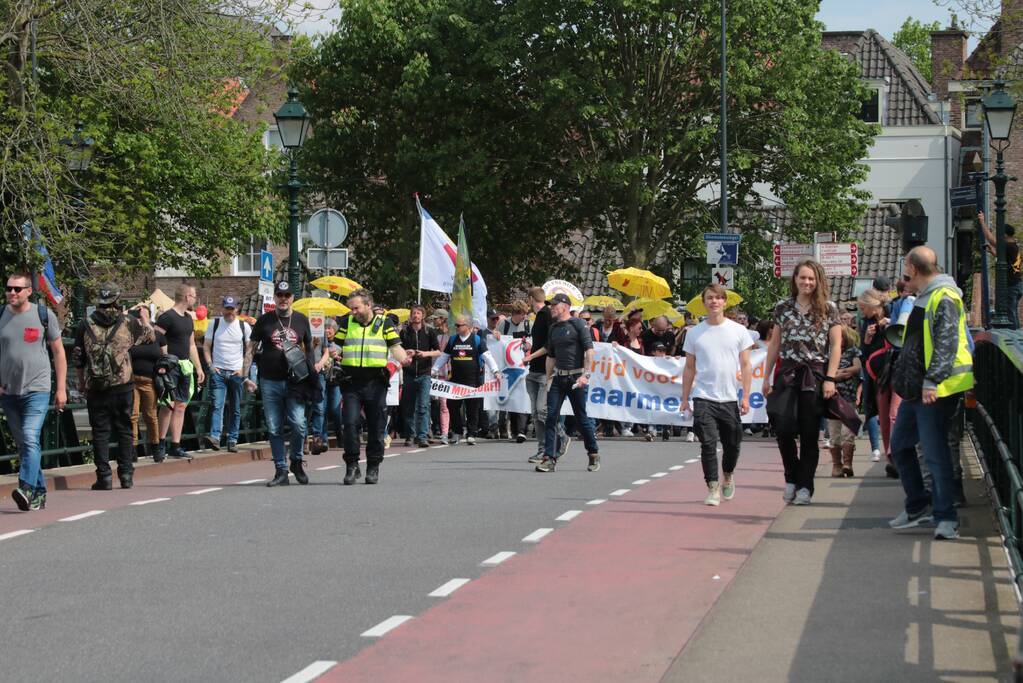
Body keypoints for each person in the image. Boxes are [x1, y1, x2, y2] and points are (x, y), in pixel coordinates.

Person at [887, 246, 974, 540]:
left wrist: (932, 381)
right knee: (900, 446)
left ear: (912, 267)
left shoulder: (944, 296)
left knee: (935, 454)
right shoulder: (925, 296)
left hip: (934, 389)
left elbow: (947, 342)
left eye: (905, 267)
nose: (904, 273)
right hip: (917, 388)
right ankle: (919, 506)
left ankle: (945, 516)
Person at [763, 260, 843, 506]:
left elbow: (836, 345)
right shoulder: (782, 307)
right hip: (787, 373)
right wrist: (766, 377)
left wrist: (830, 378)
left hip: (815, 374)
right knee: (784, 427)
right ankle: (791, 478)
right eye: (802, 278)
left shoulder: (828, 309)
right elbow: (775, 344)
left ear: (818, 281)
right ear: (795, 279)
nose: (807, 282)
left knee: (809, 433)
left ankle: (806, 486)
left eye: (811, 279)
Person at [73, 283, 156, 490]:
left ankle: (104, 477)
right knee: (124, 430)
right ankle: (126, 475)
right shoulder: (127, 322)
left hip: (96, 386)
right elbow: (151, 337)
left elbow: (78, 357)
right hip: (123, 386)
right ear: (117, 301)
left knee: (100, 432)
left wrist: (82, 382)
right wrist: (145, 320)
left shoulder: (85, 324)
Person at [246, 281, 328, 487]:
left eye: (287, 295)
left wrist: (311, 375)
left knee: (299, 425)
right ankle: (280, 470)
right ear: (275, 297)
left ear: (293, 298)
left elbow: (309, 348)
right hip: (269, 380)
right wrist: (246, 376)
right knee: (274, 427)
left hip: (295, 382)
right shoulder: (264, 320)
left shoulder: (301, 320)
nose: (283, 298)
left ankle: (297, 461)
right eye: (279, 295)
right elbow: (251, 349)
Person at [680, 284, 754, 506]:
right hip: (703, 397)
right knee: (708, 444)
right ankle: (712, 487)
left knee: (733, 444)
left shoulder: (739, 331)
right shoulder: (694, 333)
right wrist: (685, 398)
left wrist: (746, 396)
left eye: (718, 298)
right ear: (704, 303)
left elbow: (746, 365)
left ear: (724, 302)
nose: (714, 302)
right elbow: (689, 368)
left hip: (729, 398)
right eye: (709, 298)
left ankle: (728, 475)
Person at [1, 271, 67, 510]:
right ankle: (38, 493)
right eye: (9, 288)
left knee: (29, 437)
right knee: (25, 444)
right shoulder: (1, 315)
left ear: (29, 291)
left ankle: (26, 487)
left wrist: (61, 389)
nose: (12, 293)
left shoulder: (43, 315)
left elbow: (59, 352)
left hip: (37, 389)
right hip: (8, 392)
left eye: (17, 289)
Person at [334, 288, 407, 484]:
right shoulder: (347, 322)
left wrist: (404, 359)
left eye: (356, 308)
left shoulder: (384, 323)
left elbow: (395, 347)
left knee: (376, 426)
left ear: (368, 305)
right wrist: (327, 357)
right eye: (351, 309)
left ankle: (373, 466)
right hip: (351, 382)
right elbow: (336, 346)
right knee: (349, 423)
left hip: (376, 383)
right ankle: (352, 465)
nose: (353, 312)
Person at [534, 293, 600, 473]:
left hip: (576, 378)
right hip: (558, 377)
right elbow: (551, 356)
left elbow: (589, 351)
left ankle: (593, 453)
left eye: (554, 305)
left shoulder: (578, 324)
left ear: (565, 306)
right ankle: (549, 458)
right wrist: (548, 379)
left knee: (581, 418)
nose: (551, 308)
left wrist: (586, 375)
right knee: (551, 417)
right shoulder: (554, 327)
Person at [432, 313, 500, 445]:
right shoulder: (452, 340)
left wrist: (495, 371)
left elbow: (487, 356)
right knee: (452, 406)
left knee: (472, 407)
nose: (456, 327)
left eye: (459, 325)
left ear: (468, 326)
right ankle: (457, 432)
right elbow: (444, 357)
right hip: (455, 381)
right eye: (455, 325)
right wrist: (434, 369)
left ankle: (471, 433)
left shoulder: (477, 340)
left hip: (473, 381)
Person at [155, 283, 205, 460]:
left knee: (181, 405)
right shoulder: (167, 318)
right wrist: (165, 360)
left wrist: (198, 367)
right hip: (171, 366)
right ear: (186, 297)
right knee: (167, 405)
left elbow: (191, 344)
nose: (195, 299)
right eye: (193, 295)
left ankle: (175, 445)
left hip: (185, 366)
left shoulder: (188, 319)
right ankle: (160, 443)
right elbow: (157, 339)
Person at [522, 287, 567, 463]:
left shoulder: (546, 314)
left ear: (531, 298)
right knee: (536, 413)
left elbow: (550, 344)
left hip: (543, 371)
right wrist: (530, 348)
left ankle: (561, 435)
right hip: (534, 369)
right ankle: (542, 449)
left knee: (542, 410)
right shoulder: (540, 316)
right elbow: (542, 342)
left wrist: (531, 355)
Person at [201, 296, 251, 452]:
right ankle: (215, 437)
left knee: (235, 407)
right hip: (218, 371)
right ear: (222, 309)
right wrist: (210, 365)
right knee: (217, 405)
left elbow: (250, 350)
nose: (229, 312)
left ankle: (232, 439)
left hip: (236, 372)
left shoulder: (244, 326)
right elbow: (206, 346)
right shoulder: (214, 324)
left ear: (236, 309)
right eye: (227, 308)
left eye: (232, 309)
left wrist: (244, 370)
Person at [399, 304, 439, 448]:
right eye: (413, 313)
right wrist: (406, 353)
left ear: (423, 316)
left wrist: (425, 353)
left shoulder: (430, 331)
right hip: (409, 373)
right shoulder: (404, 332)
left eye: (418, 313)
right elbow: (397, 350)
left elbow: (438, 351)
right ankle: (410, 435)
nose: (415, 315)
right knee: (408, 406)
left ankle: (422, 436)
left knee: (423, 406)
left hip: (424, 373)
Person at [129, 316, 167, 460]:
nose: (141, 320)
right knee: (133, 415)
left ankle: (155, 446)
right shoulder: (132, 336)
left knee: (150, 415)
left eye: (144, 316)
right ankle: (133, 448)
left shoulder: (158, 336)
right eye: (138, 317)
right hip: (133, 380)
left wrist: (163, 367)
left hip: (149, 380)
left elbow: (165, 356)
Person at [828, 325, 862, 478]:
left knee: (848, 432)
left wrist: (839, 373)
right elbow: (827, 374)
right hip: (832, 397)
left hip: (848, 396)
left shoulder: (853, 351)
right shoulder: (827, 353)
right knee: (834, 433)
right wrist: (842, 374)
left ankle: (848, 463)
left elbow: (856, 368)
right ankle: (837, 465)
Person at [978, 211, 1021, 329]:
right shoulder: (1013, 246)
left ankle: (1015, 337)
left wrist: (982, 222)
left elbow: (991, 239)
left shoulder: (1008, 245)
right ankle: (1015, 333)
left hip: (1011, 285)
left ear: (1005, 235)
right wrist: (993, 252)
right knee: (1012, 312)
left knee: (1010, 313)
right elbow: (1005, 259)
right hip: (1017, 284)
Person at [499, 300, 532, 442]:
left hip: (524, 366)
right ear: (515, 314)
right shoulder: (504, 324)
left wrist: (528, 345)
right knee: (511, 397)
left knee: (523, 397)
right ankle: (514, 428)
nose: (524, 317)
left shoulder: (528, 324)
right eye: (521, 314)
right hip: (508, 367)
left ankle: (521, 430)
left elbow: (533, 342)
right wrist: (495, 336)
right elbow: (498, 342)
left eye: (525, 314)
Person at [429, 309, 452, 443]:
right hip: (434, 373)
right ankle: (434, 431)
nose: (434, 321)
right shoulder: (434, 334)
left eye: (436, 318)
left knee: (445, 404)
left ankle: (446, 431)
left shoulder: (452, 336)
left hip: (447, 375)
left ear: (443, 319)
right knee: (434, 403)